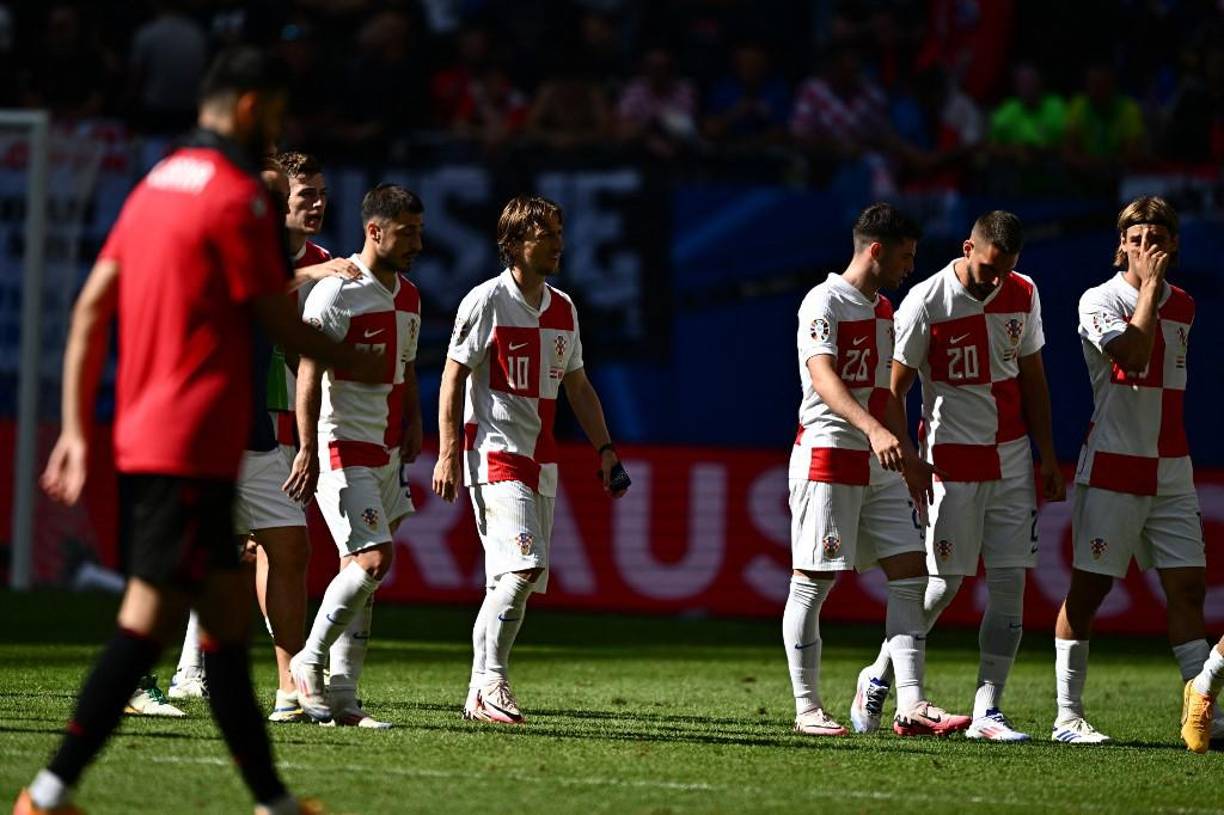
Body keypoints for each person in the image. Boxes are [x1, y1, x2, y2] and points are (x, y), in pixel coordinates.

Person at [16, 47, 378, 815]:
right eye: (275, 116)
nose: (275, 130)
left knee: (222, 633)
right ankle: (46, 794)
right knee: (144, 626)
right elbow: (274, 312)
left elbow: (89, 309)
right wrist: (358, 360)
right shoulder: (237, 197)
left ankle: (273, 800)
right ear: (250, 109)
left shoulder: (152, 186)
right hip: (191, 445)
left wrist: (80, 427)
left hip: (161, 439)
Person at [854, 210, 1064, 743]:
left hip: (1012, 458)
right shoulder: (925, 301)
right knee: (944, 584)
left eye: (1008, 269)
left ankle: (988, 709)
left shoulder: (1024, 291)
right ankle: (878, 675)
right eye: (991, 267)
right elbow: (896, 390)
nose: (998, 280)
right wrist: (909, 456)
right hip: (951, 460)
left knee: (1011, 582)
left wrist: (1047, 455)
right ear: (968, 248)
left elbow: (1034, 376)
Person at [167, 160, 359, 725]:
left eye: (317, 194)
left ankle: (288, 688)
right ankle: (173, 669)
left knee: (289, 548)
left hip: (264, 430)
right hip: (210, 431)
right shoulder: (233, 247)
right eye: (297, 195)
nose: (311, 205)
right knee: (202, 557)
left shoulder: (322, 263)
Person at [433, 195, 629, 725]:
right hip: (493, 455)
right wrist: (449, 450)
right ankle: (490, 685)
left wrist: (606, 450)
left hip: (543, 461)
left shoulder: (564, 307)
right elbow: (453, 376)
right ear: (516, 244)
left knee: (513, 583)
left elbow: (578, 385)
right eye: (548, 235)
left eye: (561, 234)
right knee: (522, 569)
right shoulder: (485, 302)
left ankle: (480, 690)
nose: (559, 244)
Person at [786, 203, 968, 738]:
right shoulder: (822, 301)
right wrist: (874, 431)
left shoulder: (884, 308)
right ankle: (807, 710)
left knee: (911, 575)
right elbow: (823, 377)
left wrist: (909, 459)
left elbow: (886, 393)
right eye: (905, 256)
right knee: (812, 584)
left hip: (880, 459)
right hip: (829, 453)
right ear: (876, 251)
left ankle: (911, 704)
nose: (911, 265)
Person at [1054, 197, 1205, 745]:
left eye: (1159, 236)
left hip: (1172, 469)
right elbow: (1134, 356)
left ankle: (1202, 705)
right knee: (1089, 592)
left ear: (1175, 245)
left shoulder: (1186, 304)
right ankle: (1067, 718)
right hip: (1114, 466)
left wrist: (1157, 293)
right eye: (1138, 237)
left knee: (1188, 590)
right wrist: (1145, 291)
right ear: (1121, 245)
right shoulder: (1099, 299)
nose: (1148, 246)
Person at [287, 184, 425, 728]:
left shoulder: (410, 296)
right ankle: (308, 661)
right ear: (375, 231)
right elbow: (308, 371)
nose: (417, 241)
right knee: (372, 560)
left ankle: (344, 698)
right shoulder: (337, 293)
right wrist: (306, 447)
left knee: (364, 575)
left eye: (419, 230)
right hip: (340, 442)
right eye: (407, 231)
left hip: (387, 448)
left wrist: (413, 422)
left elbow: (408, 366)